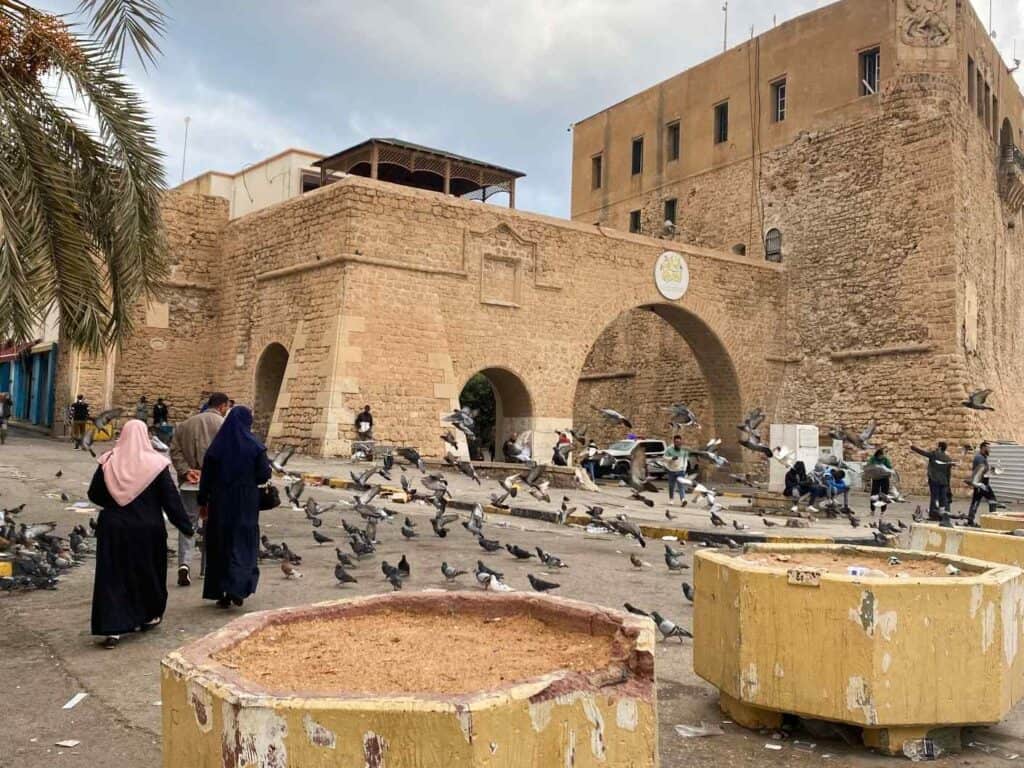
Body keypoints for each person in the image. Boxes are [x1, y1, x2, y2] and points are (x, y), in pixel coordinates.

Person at [88, 420, 193, 649]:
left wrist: (115, 502)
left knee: (113, 577)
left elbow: (94, 493)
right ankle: (147, 616)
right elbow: (171, 500)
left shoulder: (108, 461)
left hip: (114, 528)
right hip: (147, 530)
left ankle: (112, 628)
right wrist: (186, 526)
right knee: (147, 573)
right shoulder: (156, 464)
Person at [199, 406, 272, 609]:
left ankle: (221, 591)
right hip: (246, 502)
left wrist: (202, 501)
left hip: (220, 502)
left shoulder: (217, 447)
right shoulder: (255, 446)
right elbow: (264, 474)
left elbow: (206, 478)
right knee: (242, 544)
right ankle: (238, 587)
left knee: (221, 544)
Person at [169, 392, 230, 587]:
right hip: (215, 483)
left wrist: (186, 471)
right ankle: (207, 566)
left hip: (190, 482)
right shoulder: (224, 425)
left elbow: (175, 451)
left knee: (188, 523)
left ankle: (185, 563)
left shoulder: (186, 425)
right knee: (212, 523)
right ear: (222, 406)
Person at [911, 441, 953, 520]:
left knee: (935, 498)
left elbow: (923, 453)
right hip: (944, 482)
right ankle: (942, 515)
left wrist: (913, 447)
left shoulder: (934, 455)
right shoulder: (948, 459)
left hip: (935, 480)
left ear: (940, 447)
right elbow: (948, 474)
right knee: (942, 499)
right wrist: (948, 485)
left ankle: (934, 515)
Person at [967, 442, 997, 527]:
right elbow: (980, 471)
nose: (989, 450)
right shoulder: (980, 458)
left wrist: (991, 470)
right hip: (982, 484)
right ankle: (993, 521)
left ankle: (970, 519)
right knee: (992, 500)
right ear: (983, 448)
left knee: (976, 501)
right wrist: (979, 484)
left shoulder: (982, 457)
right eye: (988, 448)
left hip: (981, 484)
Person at [663, 435, 690, 504]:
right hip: (671, 470)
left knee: (681, 486)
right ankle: (671, 499)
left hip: (680, 471)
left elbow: (686, 460)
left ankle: (683, 500)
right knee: (671, 486)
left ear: (681, 442)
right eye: (676, 442)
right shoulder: (669, 449)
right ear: (674, 442)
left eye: (679, 442)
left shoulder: (684, 450)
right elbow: (664, 458)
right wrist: (671, 458)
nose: (678, 443)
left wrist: (684, 469)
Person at [866, 448, 893, 516]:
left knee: (884, 494)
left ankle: (883, 511)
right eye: (880, 455)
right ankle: (872, 510)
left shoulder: (885, 459)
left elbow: (889, 467)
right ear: (877, 455)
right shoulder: (873, 459)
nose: (881, 456)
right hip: (876, 478)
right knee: (874, 494)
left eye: (882, 455)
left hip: (884, 478)